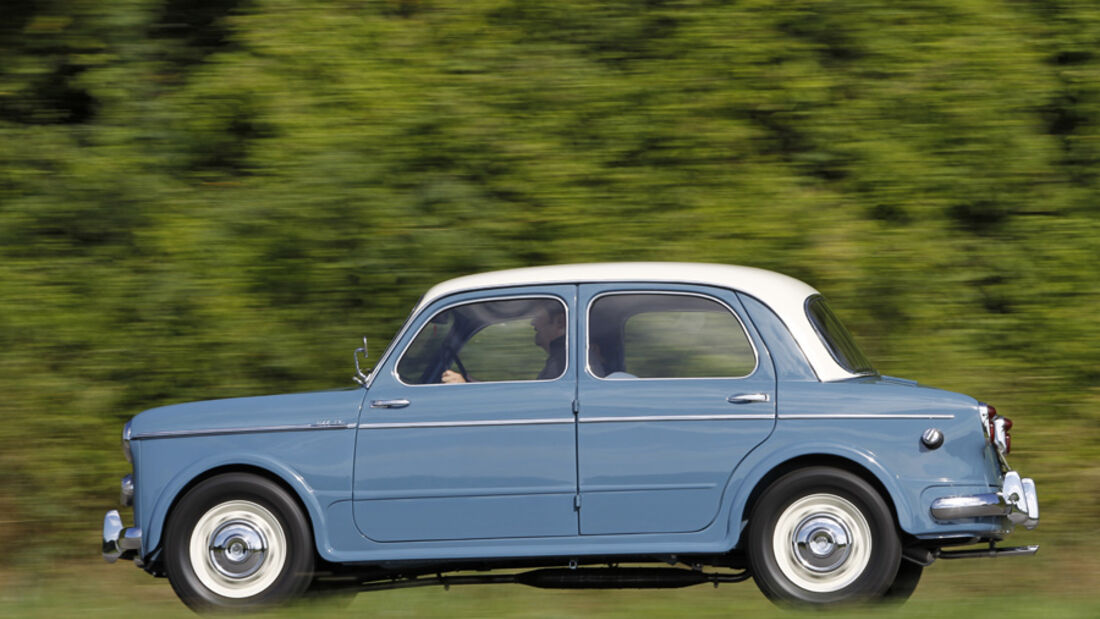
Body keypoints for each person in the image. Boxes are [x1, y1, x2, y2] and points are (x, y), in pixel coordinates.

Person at [441, 301, 566, 383]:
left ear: (560, 322)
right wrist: (470, 383)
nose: (532, 322)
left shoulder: (560, 363)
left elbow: (526, 404)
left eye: (538, 314)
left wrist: (464, 385)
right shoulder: (560, 360)